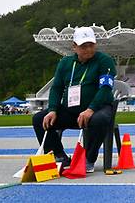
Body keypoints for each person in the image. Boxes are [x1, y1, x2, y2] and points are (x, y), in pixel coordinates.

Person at [32, 26, 117, 173]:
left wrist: (91, 109)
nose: (88, 49)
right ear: (74, 46)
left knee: (100, 119)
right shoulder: (65, 63)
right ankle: (59, 156)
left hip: (97, 109)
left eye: (91, 45)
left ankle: (88, 159)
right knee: (40, 119)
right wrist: (52, 109)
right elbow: (57, 88)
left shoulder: (105, 61)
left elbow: (105, 88)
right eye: (84, 46)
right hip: (70, 110)